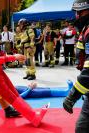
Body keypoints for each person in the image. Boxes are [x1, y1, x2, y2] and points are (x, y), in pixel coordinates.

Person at [0, 25, 49, 127]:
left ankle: (33, 114)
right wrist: (14, 57)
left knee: (15, 94)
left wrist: (15, 57)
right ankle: (34, 118)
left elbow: (1, 57)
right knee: (12, 97)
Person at [63, 0, 89, 132]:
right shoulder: (86, 28)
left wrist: (73, 95)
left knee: (82, 128)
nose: (77, 16)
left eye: (80, 12)